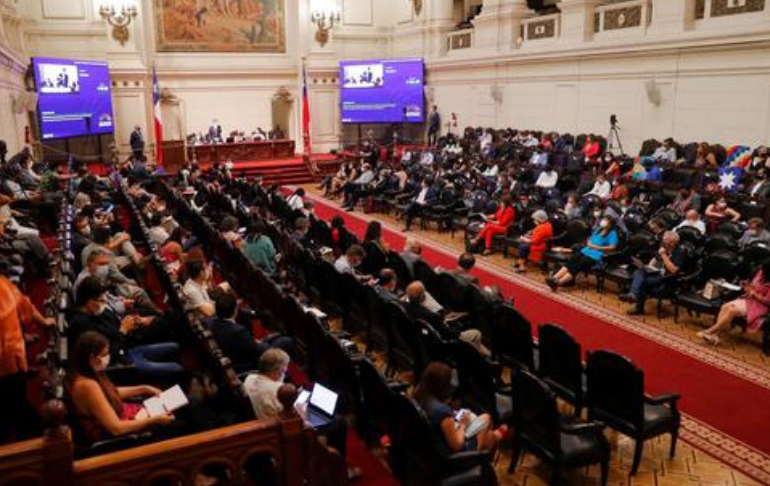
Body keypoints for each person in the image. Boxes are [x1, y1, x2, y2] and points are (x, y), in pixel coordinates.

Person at [242, 349, 361, 481]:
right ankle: (337, 470)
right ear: (277, 371)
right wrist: (308, 411)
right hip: (285, 434)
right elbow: (298, 421)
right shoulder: (276, 389)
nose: (285, 372)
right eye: (285, 369)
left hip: (266, 426)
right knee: (338, 422)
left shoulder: (249, 379)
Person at [68, 277, 184, 382]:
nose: (104, 303)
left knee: (175, 347)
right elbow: (108, 356)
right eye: (101, 300)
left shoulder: (96, 311)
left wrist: (132, 323)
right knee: (176, 368)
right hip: (120, 361)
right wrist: (123, 330)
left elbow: (116, 327)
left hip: (127, 348)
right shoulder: (82, 325)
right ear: (89, 301)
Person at [66, 332, 175, 444]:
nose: (108, 357)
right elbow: (116, 429)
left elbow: (110, 392)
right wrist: (154, 420)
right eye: (105, 354)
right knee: (183, 415)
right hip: (123, 437)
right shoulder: (87, 385)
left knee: (179, 402)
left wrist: (144, 388)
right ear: (93, 357)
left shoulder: (88, 371)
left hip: (129, 415)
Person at [0, 276, 55, 441]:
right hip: (11, 363)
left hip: (12, 361)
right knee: (18, 410)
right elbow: (25, 306)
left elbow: (24, 305)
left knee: (16, 409)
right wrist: (44, 322)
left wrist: (45, 323)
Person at [413, 362, 503, 456]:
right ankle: (493, 441)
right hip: (453, 457)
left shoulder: (418, 395)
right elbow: (457, 445)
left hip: (430, 447)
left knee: (486, 428)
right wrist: (462, 424)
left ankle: (495, 437)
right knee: (486, 419)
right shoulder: (443, 412)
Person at [697, 261, 770, 346]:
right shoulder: (761, 272)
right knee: (725, 306)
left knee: (731, 310)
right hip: (748, 299)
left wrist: (754, 294)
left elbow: (767, 301)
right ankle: (715, 336)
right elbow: (753, 285)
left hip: (759, 306)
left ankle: (710, 331)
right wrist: (746, 285)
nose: (761, 272)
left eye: (763, 272)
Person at [620, 231, 686, 315]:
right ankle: (633, 295)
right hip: (657, 272)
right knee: (639, 271)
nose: (663, 243)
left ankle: (636, 302)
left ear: (673, 243)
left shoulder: (680, 252)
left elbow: (673, 270)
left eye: (665, 241)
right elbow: (654, 259)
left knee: (641, 281)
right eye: (663, 240)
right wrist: (648, 267)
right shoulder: (664, 247)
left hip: (667, 277)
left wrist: (663, 255)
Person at [547, 215, 619, 291]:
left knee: (576, 266)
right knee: (571, 262)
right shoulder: (599, 229)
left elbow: (612, 247)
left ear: (610, 224)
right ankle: (554, 278)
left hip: (595, 255)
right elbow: (590, 238)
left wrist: (596, 247)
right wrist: (589, 242)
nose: (603, 221)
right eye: (604, 219)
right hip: (586, 250)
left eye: (606, 220)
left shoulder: (612, 233)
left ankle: (558, 283)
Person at [205, 292, 270, 374]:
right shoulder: (239, 331)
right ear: (235, 310)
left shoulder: (209, 323)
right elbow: (256, 350)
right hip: (244, 365)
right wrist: (265, 343)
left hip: (229, 357)